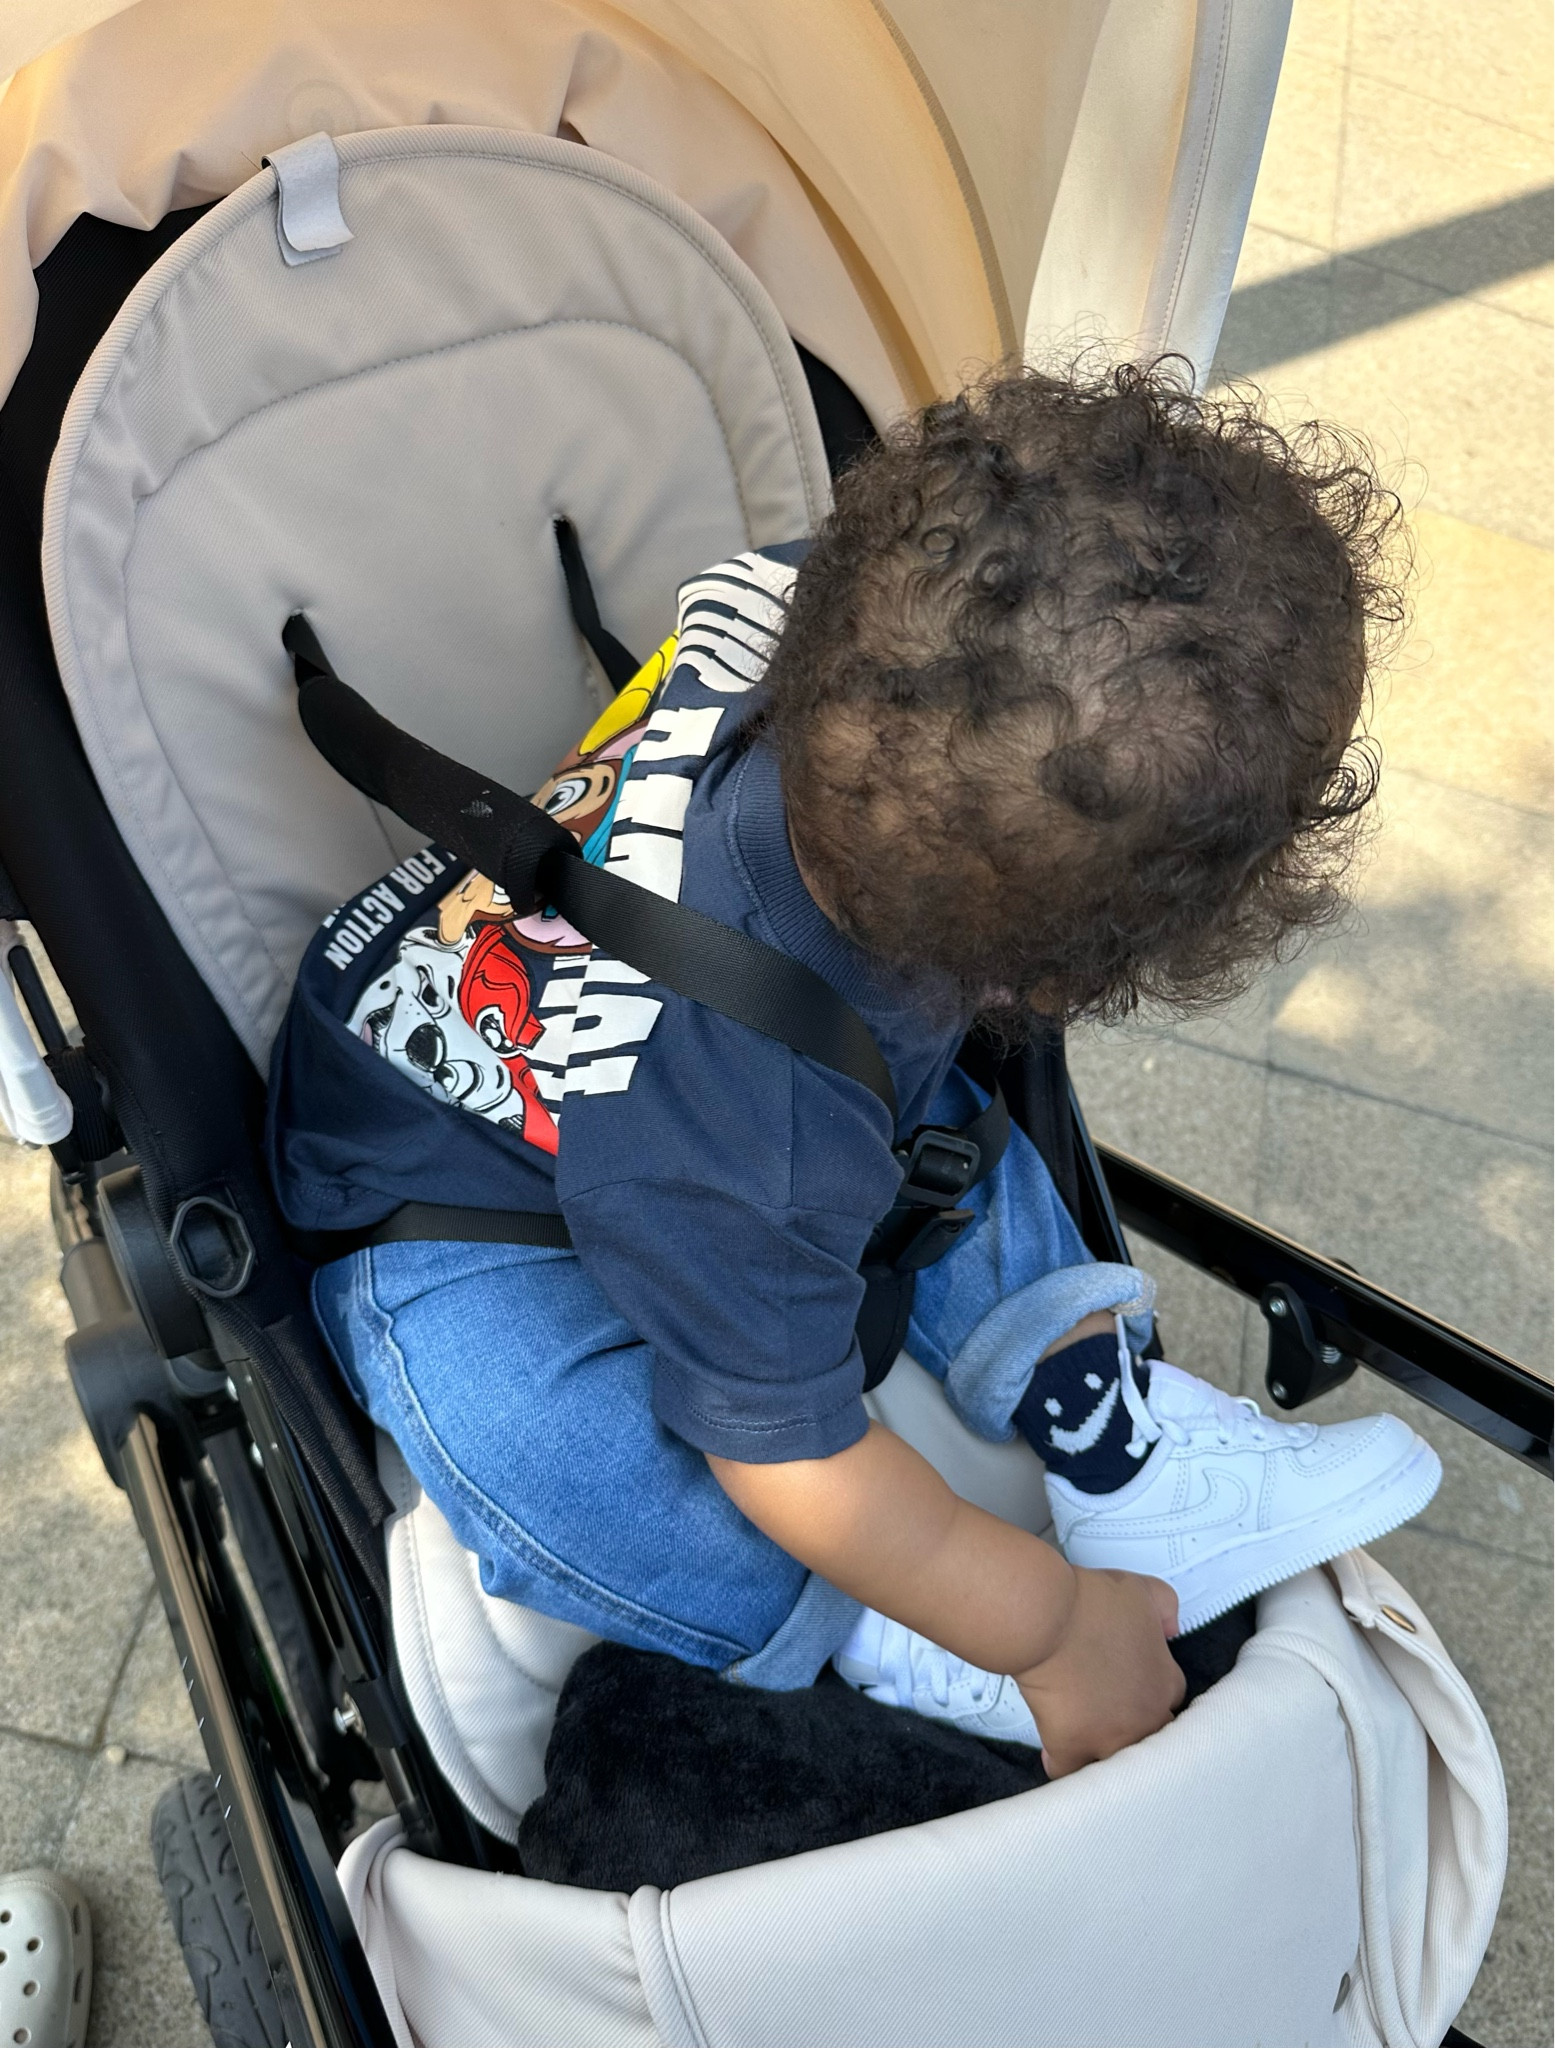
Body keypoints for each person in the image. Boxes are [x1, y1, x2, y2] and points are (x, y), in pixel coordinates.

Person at [269, 360, 1438, 1779]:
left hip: (642, 1031)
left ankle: (1107, 1429)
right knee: (550, 1456)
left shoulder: (829, 610)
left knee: (956, 1138)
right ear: (1047, 983)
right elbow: (798, 1460)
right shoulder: (748, 1116)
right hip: (444, 1211)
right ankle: (876, 1641)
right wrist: (1047, 1626)